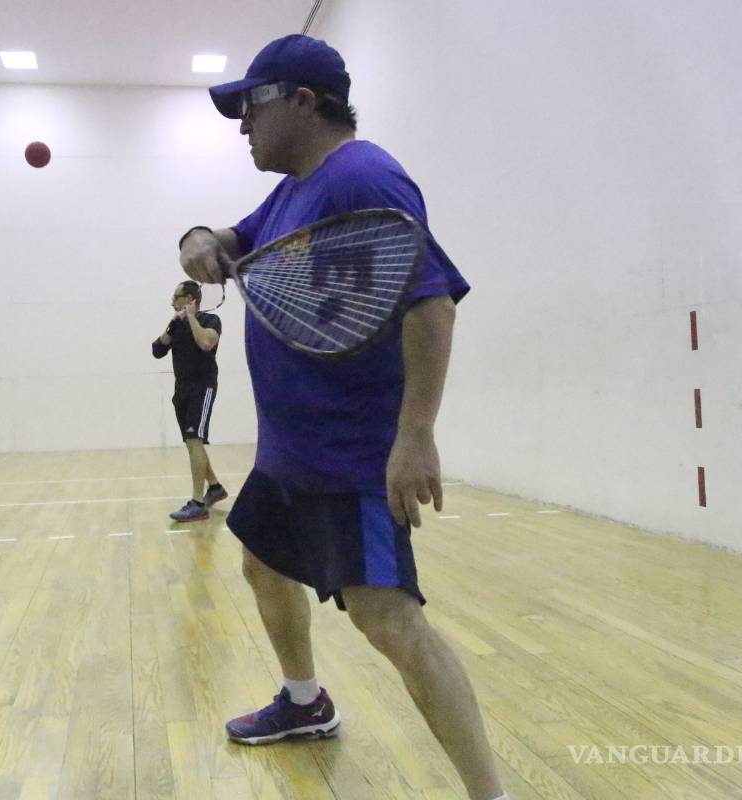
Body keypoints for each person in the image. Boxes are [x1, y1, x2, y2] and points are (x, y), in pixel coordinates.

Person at [178, 34, 508, 800]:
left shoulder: (362, 177)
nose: (242, 125)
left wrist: (415, 435)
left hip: (348, 454)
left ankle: (491, 794)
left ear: (304, 101)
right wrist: (198, 237)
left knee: (388, 620)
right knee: (262, 563)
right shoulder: (296, 187)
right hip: (289, 452)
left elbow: (431, 304)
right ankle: (305, 703)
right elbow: (233, 237)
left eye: (252, 105)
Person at [151, 280, 229, 522]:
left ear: (190, 299)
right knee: (191, 442)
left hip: (202, 388)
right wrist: (174, 323)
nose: (172, 302)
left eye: (176, 297)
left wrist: (192, 317)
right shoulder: (176, 325)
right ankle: (214, 487)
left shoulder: (211, 320)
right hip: (181, 389)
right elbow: (157, 350)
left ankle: (197, 503)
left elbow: (206, 343)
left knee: (195, 440)